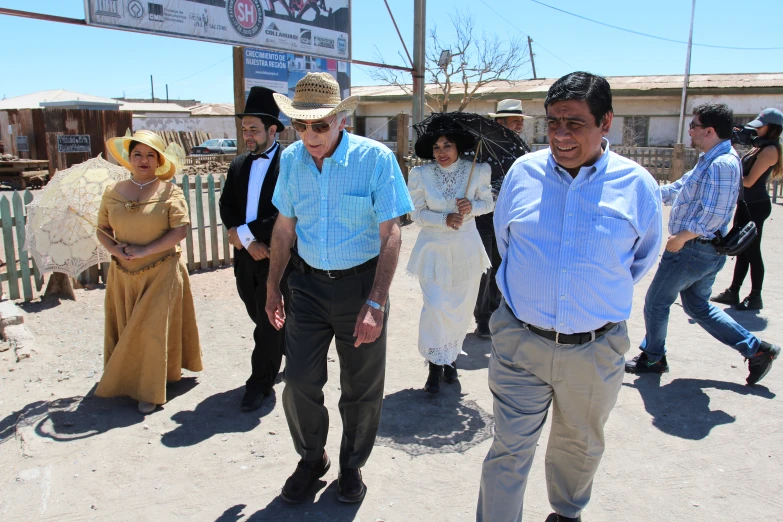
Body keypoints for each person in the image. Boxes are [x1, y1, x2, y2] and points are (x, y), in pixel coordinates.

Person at [477, 72, 663, 522]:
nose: (560, 134)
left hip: (596, 349)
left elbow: (642, 258)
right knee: (509, 450)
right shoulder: (523, 175)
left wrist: (588, 300)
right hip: (521, 341)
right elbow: (505, 244)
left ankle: (565, 513)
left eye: (575, 123)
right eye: (553, 121)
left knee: (578, 447)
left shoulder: (637, 186)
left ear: (606, 123)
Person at [263, 73, 414, 504]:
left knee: (361, 386)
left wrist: (375, 302)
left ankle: (352, 465)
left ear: (341, 120)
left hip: (361, 286)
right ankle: (313, 458)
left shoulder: (376, 159)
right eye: (301, 125)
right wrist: (274, 287)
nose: (309, 135)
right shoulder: (291, 160)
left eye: (320, 125)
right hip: (307, 286)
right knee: (299, 381)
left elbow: (391, 233)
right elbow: (284, 229)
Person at [626, 103, 781, 384]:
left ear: (709, 130)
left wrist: (682, 238)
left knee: (656, 302)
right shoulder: (711, 158)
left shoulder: (721, 163)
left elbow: (715, 213)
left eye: (694, 125)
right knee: (699, 307)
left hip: (693, 250)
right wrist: (643, 195)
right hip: (701, 250)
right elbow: (679, 189)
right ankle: (757, 350)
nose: (690, 130)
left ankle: (653, 357)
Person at [96, 130, 202, 414]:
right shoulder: (112, 192)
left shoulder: (170, 191)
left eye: (149, 155)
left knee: (151, 330)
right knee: (130, 326)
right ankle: (126, 378)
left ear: (159, 161)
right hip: (123, 273)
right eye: (137, 154)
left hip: (162, 272)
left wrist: (145, 251)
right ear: (129, 159)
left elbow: (180, 230)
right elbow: (102, 230)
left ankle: (150, 390)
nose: (143, 160)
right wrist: (116, 251)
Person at [406, 116, 494, 393]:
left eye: (447, 146)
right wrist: (444, 219)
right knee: (436, 306)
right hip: (432, 249)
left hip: (466, 249)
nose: (441, 153)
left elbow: (488, 203)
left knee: (459, 309)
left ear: (458, 148)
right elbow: (415, 212)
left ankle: (450, 359)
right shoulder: (420, 175)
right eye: (436, 148)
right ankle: (433, 365)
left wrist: (472, 206)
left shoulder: (478, 171)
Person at [219, 86, 289, 412]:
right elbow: (226, 206)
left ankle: (259, 383)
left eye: (254, 129)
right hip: (246, 256)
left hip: (277, 258)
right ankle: (286, 344)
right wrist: (246, 240)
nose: (247, 135)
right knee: (254, 310)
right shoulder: (238, 165)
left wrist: (248, 234)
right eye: (244, 129)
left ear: (272, 130)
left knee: (265, 322)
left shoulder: (290, 165)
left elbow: (285, 213)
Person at [711, 108, 783, 311]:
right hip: (746, 204)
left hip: (756, 206)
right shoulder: (759, 146)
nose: (757, 130)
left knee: (752, 251)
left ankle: (755, 296)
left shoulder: (770, 150)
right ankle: (733, 291)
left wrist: (728, 178)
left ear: (771, 128)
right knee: (741, 249)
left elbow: (750, 181)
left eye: (762, 126)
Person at [474, 100, 531, 338]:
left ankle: (497, 311)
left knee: (503, 265)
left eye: (520, 121)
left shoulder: (522, 149)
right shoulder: (480, 147)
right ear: (500, 122)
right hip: (484, 216)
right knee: (485, 269)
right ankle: (483, 317)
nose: (519, 125)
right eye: (515, 120)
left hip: (511, 215)